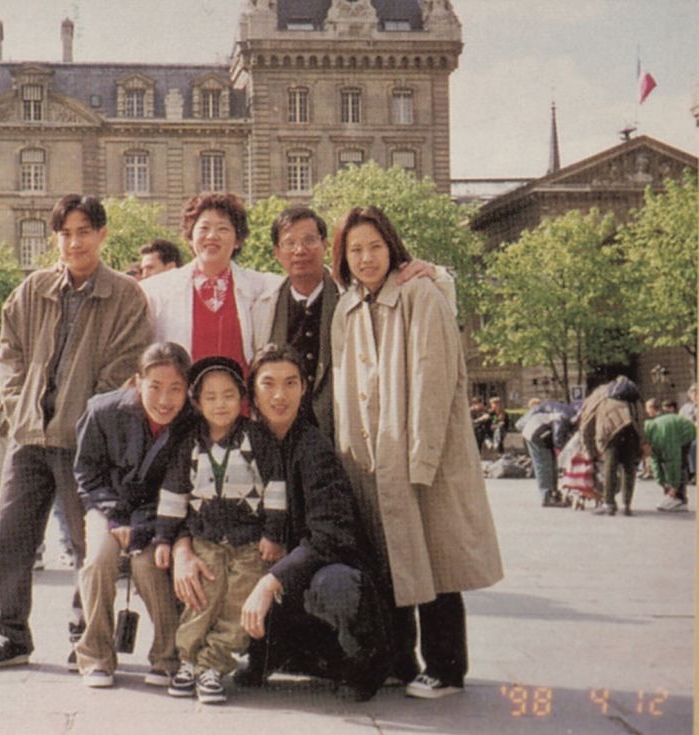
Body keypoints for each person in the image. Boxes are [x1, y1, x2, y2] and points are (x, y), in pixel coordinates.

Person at [0, 194, 151, 672]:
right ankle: (7, 633)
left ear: (103, 235)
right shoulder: (32, 290)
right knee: (9, 538)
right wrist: (16, 401)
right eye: (65, 233)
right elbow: (7, 352)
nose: (74, 241)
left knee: (88, 547)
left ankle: (83, 635)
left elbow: (125, 365)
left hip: (86, 441)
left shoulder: (126, 295)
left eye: (84, 231)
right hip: (29, 436)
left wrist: (87, 416)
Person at [330, 206, 503, 699]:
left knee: (436, 562)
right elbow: (346, 388)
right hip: (372, 460)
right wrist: (351, 452)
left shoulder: (419, 295)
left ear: (393, 247)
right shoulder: (347, 307)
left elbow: (434, 382)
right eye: (355, 249)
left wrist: (421, 458)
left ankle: (447, 668)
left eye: (375, 247)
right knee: (394, 564)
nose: (366, 258)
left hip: (419, 455)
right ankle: (401, 661)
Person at [236, 344, 389, 701]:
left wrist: (270, 582)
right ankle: (275, 651)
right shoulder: (244, 443)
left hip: (323, 571)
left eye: (291, 383)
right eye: (268, 383)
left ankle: (362, 658)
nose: (279, 395)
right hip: (272, 565)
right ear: (252, 391)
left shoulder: (313, 447)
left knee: (333, 583)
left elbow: (331, 536)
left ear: (304, 388)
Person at [250, 206, 448, 443]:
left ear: (325, 246)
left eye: (309, 240)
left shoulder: (354, 295)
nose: (300, 250)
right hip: (280, 437)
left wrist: (436, 274)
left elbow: (435, 303)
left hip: (342, 437)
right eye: (289, 243)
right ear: (276, 253)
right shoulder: (263, 304)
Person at [153, 355, 286, 705]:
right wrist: (165, 538)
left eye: (228, 396)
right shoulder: (189, 445)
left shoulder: (257, 438)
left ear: (242, 397)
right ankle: (188, 661)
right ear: (196, 402)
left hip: (250, 542)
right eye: (210, 398)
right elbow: (173, 494)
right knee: (201, 598)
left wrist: (273, 534)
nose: (220, 404)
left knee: (237, 603)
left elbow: (275, 487)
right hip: (205, 539)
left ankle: (214, 665)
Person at [72, 342, 194, 689]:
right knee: (98, 560)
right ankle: (94, 653)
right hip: (107, 506)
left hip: (162, 515)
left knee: (149, 562)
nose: (164, 400)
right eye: (154, 386)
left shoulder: (192, 423)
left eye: (176, 389)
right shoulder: (102, 410)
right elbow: (87, 473)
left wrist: (145, 528)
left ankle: (169, 655)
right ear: (138, 381)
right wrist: (115, 517)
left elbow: (183, 486)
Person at [141, 193, 281, 375]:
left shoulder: (263, 287)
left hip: (240, 399)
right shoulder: (157, 290)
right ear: (190, 237)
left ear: (237, 240)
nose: (212, 236)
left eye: (223, 229)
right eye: (204, 228)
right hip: (183, 399)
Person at [579, 376, 643, 517]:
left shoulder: (600, 395)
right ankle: (627, 505)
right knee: (629, 468)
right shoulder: (633, 396)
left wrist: (589, 450)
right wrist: (641, 443)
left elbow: (587, 423)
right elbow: (641, 419)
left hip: (611, 432)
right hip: (632, 430)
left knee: (610, 467)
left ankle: (609, 504)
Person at [516, 398, 577, 507]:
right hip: (536, 433)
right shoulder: (566, 414)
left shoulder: (565, 410)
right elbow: (558, 432)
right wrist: (560, 449)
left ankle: (553, 493)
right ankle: (546, 496)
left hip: (540, 432)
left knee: (550, 463)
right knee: (544, 464)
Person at [644, 399, 695, 512]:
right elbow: (655, 461)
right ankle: (674, 495)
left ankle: (679, 499)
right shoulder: (651, 437)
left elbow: (673, 461)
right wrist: (662, 483)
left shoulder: (662, 437)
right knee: (667, 463)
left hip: (685, 433)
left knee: (679, 464)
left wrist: (673, 487)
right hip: (672, 431)